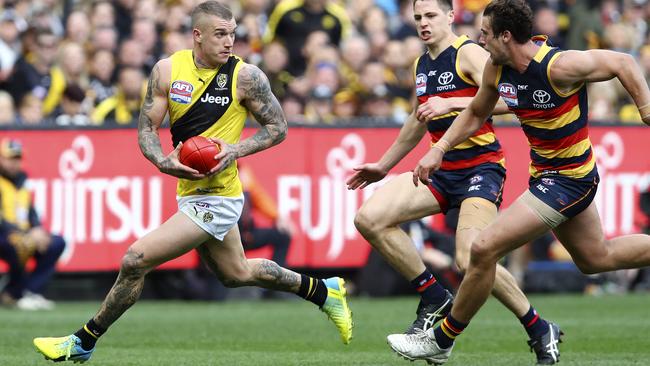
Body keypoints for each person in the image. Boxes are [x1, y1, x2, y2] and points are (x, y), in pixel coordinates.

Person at [33, 2, 352, 363]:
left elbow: (278, 128)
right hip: (190, 191)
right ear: (197, 35)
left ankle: (82, 342)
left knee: (135, 259)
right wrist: (162, 161)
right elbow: (147, 129)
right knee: (237, 273)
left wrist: (236, 149)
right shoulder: (168, 70)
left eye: (232, 33)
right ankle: (325, 291)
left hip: (220, 196)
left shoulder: (247, 77)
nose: (229, 41)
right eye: (220, 34)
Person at [387, 0, 650, 364]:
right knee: (595, 258)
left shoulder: (559, 65)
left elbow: (624, 62)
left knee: (482, 249)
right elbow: (478, 111)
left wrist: (646, 110)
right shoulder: (497, 67)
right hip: (547, 175)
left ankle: (441, 338)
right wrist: (440, 148)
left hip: (569, 180)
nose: (479, 41)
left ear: (505, 36)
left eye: (485, 34)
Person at [347, 0, 556, 364]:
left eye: (430, 16)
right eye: (417, 18)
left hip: (481, 169)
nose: (423, 24)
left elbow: (509, 98)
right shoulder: (421, 63)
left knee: (470, 258)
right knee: (370, 218)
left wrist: (451, 103)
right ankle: (434, 296)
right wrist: (384, 165)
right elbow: (417, 120)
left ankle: (538, 326)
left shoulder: (470, 53)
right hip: (441, 171)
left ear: (449, 16)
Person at [0, 138, 65, 311]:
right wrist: (25, 234)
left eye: (18, 158)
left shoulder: (21, 181)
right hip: (4, 236)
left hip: (21, 234)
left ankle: (31, 291)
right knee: (22, 244)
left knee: (56, 242)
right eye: (10, 158)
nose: (15, 163)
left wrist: (37, 229)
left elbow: (30, 211)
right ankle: (15, 292)